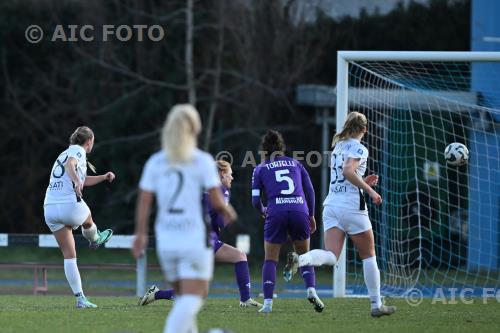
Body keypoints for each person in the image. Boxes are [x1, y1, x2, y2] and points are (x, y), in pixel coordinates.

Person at [132, 104, 237, 333]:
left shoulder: (156, 161)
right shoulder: (201, 160)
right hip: (193, 239)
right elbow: (218, 202)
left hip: (166, 241)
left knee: (182, 297)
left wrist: (140, 233)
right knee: (195, 297)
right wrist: (230, 212)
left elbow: (144, 201)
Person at [283, 111, 396, 317]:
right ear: (364, 129)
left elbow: (347, 175)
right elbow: (347, 171)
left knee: (332, 256)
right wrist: (370, 191)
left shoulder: (338, 147)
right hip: (352, 207)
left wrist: (363, 182)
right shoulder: (360, 148)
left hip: (332, 205)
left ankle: (302, 260)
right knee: (369, 255)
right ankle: (376, 305)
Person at [138, 160, 261, 308]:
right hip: (202, 240)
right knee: (237, 257)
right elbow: (221, 223)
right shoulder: (222, 191)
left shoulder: (204, 188)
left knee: (200, 291)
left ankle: (157, 293)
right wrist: (229, 215)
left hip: (194, 238)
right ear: (222, 174)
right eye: (230, 174)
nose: (232, 178)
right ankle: (245, 300)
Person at [251, 130, 323, 313]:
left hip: (276, 211)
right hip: (299, 209)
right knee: (304, 255)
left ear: (263, 150)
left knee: (270, 260)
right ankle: (311, 290)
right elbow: (310, 191)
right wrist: (311, 215)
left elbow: (255, 200)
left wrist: (263, 210)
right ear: (281, 148)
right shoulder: (296, 164)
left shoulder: (260, 168)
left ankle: (267, 304)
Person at [43, 126, 115, 308]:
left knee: (69, 255)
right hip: (68, 205)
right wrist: (76, 181)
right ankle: (95, 238)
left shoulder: (63, 153)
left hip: (50, 208)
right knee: (88, 217)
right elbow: (71, 166)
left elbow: (82, 179)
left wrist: (103, 177)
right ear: (89, 141)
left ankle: (80, 298)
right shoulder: (78, 151)